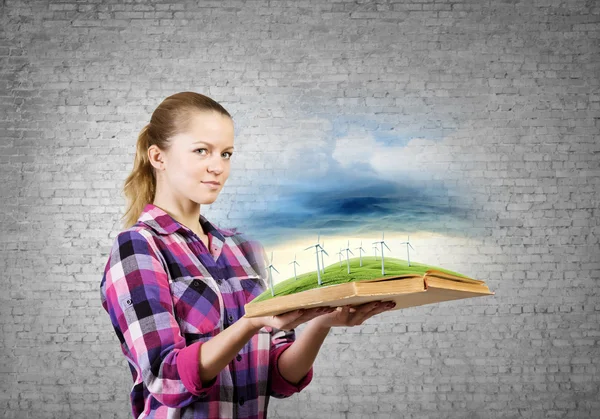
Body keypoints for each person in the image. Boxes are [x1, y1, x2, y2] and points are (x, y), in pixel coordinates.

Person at [99, 91, 397, 419]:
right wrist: (250, 322)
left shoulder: (246, 249)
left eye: (226, 154)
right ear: (158, 157)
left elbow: (279, 379)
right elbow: (164, 378)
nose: (218, 167)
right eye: (202, 151)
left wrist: (321, 321)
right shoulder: (139, 247)